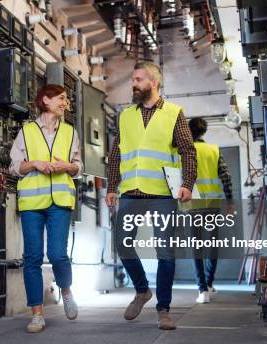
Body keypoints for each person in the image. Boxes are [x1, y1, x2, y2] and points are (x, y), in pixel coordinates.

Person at [105, 62, 197, 330]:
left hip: (161, 193)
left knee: (165, 251)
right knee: (122, 244)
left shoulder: (173, 113)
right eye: (132, 79)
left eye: (138, 79)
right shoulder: (125, 116)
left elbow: (188, 151)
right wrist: (112, 186)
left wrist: (187, 183)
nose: (133, 84)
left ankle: (164, 310)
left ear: (153, 83)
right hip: (131, 191)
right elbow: (115, 155)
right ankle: (143, 290)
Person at [9, 84, 83, 333]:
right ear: (46, 100)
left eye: (66, 99)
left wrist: (68, 168)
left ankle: (66, 289)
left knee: (58, 254)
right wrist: (35, 164)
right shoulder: (26, 131)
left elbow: (78, 166)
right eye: (61, 99)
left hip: (60, 201)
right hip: (32, 203)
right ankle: (37, 314)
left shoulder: (71, 132)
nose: (65, 103)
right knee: (32, 257)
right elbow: (14, 167)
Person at [187, 118, 234, 304]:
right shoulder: (214, 150)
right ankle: (210, 283)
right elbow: (226, 176)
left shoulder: (186, 151)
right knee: (212, 245)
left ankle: (202, 289)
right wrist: (230, 201)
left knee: (196, 247)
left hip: (192, 206)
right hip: (213, 205)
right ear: (204, 132)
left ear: (189, 132)